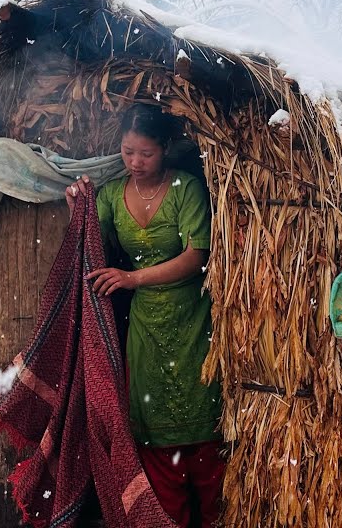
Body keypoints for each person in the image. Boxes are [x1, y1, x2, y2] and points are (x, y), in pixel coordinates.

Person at [65, 106, 224, 527]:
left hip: (192, 316)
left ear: (166, 149)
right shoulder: (112, 195)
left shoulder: (185, 188)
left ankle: (209, 516)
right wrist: (76, 208)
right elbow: (91, 245)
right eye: (127, 151)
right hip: (145, 326)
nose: (135, 162)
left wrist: (133, 278)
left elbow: (197, 255)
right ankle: (165, 517)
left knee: (200, 415)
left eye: (146, 154)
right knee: (151, 422)